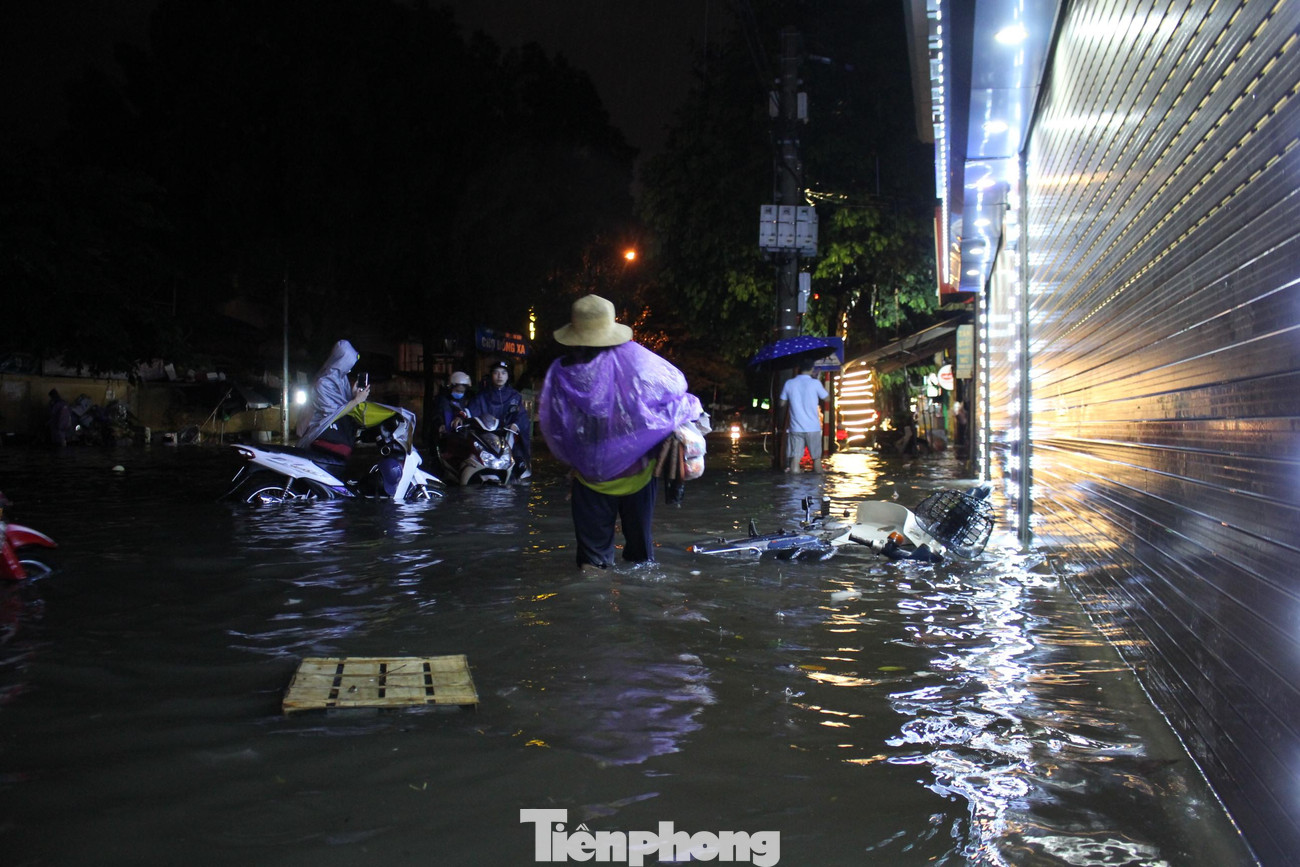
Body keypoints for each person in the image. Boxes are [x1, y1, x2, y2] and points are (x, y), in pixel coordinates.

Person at [539, 294, 703, 569]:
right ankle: (635, 606)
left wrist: (577, 462)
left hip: (589, 478)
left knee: (592, 563)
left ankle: (595, 607)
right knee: (640, 556)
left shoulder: (562, 372)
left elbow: (558, 428)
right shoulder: (636, 361)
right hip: (637, 474)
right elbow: (674, 389)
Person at [296, 339, 413, 457]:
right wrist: (356, 400)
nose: (350, 369)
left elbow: (344, 405)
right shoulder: (322, 383)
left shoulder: (342, 379)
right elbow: (333, 413)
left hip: (341, 431)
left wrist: (353, 395)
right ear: (341, 361)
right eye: (348, 364)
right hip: (322, 431)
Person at [466, 359, 531, 477]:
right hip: (486, 434)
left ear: (508, 376)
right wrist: (462, 416)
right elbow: (471, 411)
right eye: (496, 372)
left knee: (518, 462)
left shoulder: (514, 396)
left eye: (503, 373)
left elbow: (521, 415)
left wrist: (515, 424)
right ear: (491, 375)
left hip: (507, 434)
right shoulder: (482, 395)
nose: (500, 376)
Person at [778, 362, 829, 473]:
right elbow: (827, 398)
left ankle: (795, 487)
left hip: (795, 428)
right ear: (811, 369)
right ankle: (817, 487)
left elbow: (781, 404)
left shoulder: (789, 383)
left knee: (795, 460)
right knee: (816, 460)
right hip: (813, 428)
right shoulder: (815, 383)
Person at [434, 371, 474, 435]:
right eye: (457, 391)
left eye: (462, 392)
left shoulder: (467, 400)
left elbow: (468, 413)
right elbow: (437, 415)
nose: (459, 393)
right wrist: (440, 425)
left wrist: (461, 417)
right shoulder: (443, 400)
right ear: (451, 388)